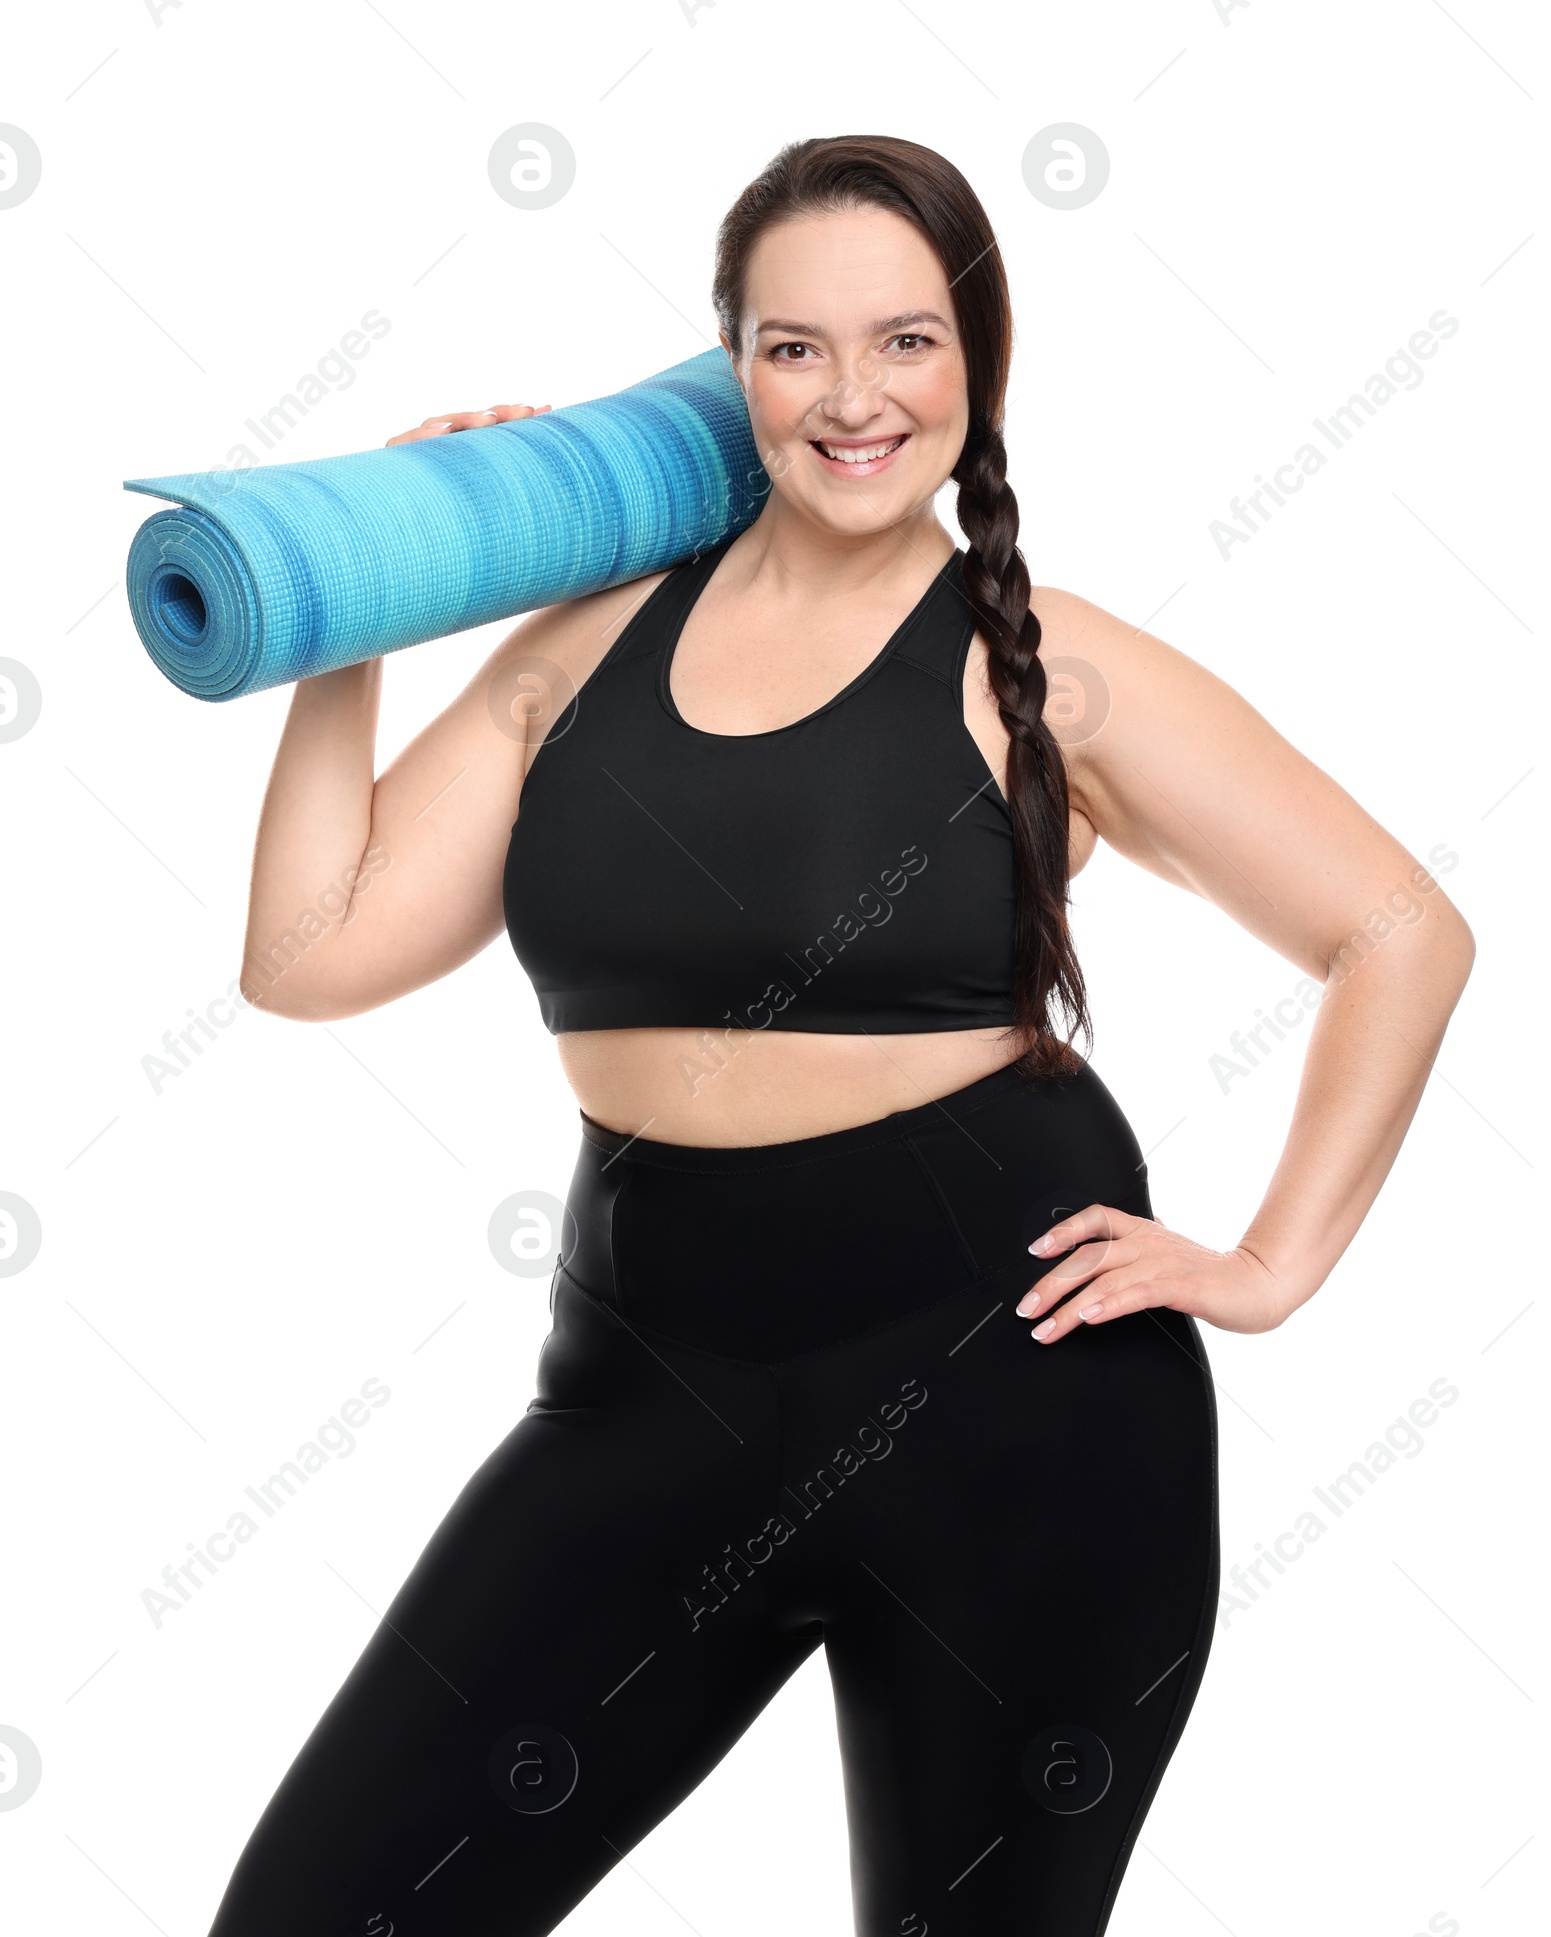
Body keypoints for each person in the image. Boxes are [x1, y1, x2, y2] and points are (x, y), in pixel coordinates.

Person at [209, 135, 1473, 1936]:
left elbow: (1398, 930)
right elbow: (307, 951)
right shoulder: (574, 654)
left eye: (906, 341)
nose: (854, 396)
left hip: (1019, 1409)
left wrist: (1269, 1264)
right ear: (737, 370)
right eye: (795, 347)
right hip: (645, 1394)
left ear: (979, 361)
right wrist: (362, 609)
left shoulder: (1043, 663)